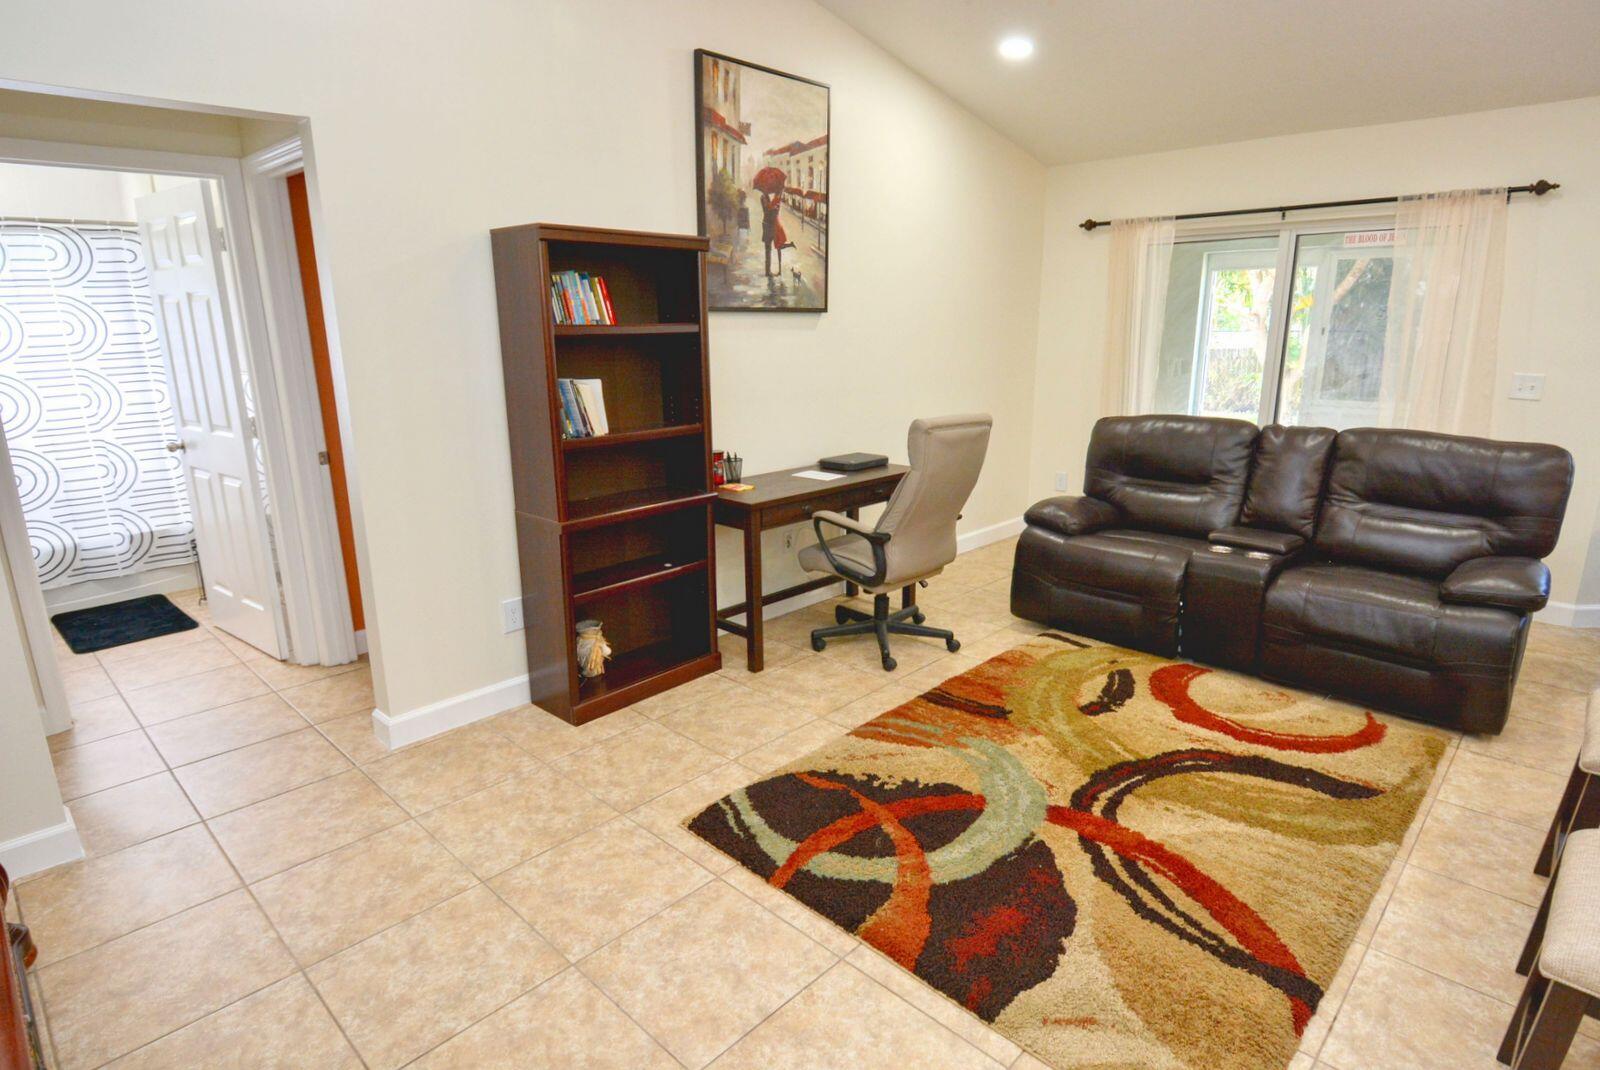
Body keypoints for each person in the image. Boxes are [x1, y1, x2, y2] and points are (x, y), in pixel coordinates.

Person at [761, 191, 797, 277]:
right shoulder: (764, 198)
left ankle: (772, 271)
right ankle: (769, 271)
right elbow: (768, 210)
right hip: (769, 227)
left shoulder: (770, 199)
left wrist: (774, 206)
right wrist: (774, 206)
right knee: (771, 249)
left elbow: (773, 211)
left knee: (776, 247)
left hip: (772, 227)